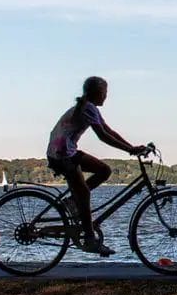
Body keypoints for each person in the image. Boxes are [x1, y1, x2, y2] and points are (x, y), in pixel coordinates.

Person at [46, 76, 148, 255]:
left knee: (104, 170)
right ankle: (90, 239)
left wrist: (131, 148)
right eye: (105, 92)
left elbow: (109, 130)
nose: (106, 96)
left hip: (65, 151)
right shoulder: (87, 108)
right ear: (96, 93)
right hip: (62, 154)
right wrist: (129, 150)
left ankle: (71, 202)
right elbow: (103, 136)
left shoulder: (90, 107)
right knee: (84, 193)